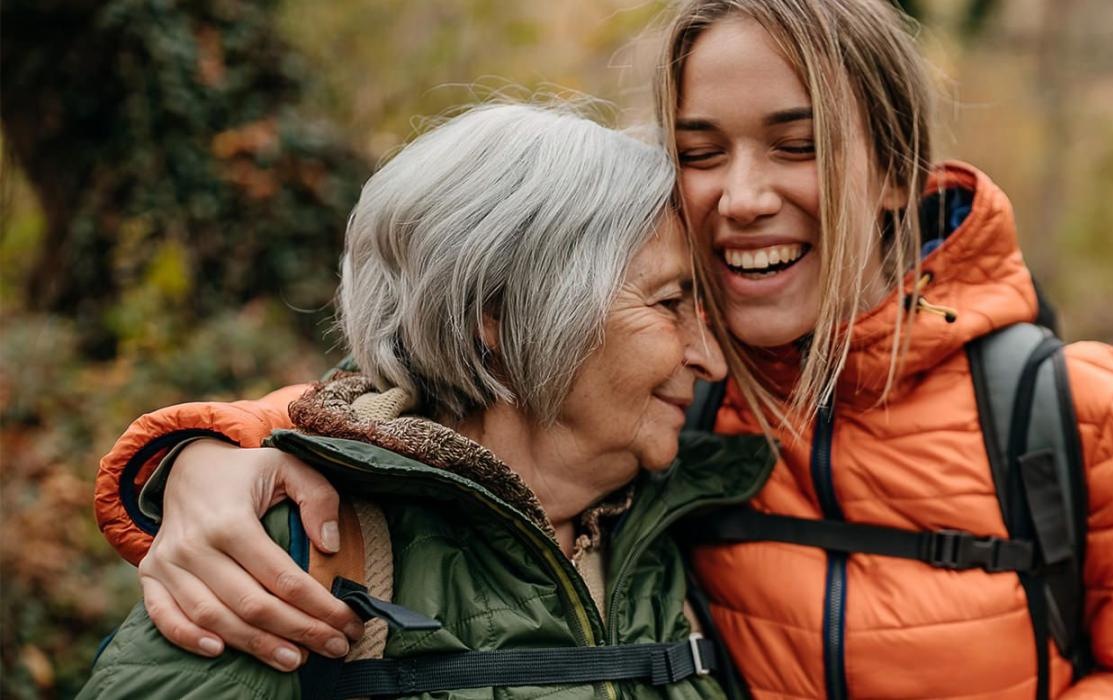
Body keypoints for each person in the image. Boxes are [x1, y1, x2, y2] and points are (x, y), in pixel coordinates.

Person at [90, 1, 1113, 697]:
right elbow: (422, 409)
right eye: (701, 150)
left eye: (796, 146)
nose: (742, 197)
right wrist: (205, 455)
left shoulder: (1071, 409)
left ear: (898, 171)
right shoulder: (672, 399)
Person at [80, 101, 765, 698]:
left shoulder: (682, 533)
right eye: (670, 302)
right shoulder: (291, 561)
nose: (708, 358)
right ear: (501, 314)